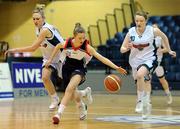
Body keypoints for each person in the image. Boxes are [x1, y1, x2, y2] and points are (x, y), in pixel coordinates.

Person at [44, 23, 127, 124]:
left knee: (69, 89)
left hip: (79, 68)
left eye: (83, 38)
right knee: (73, 94)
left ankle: (58, 114)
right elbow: (57, 46)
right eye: (80, 38)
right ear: (74, 37)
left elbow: (102, 58)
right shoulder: (66, 43)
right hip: (66, 68)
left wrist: (116, 67)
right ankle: (83, 100)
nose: (82, 40)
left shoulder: (87, 47)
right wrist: (50, 60)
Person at [5, 6, 65, 110]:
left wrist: (14, 50)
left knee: (70, 87)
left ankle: (82, 95)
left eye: (38, 19)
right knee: (45, 77)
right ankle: (55, 99)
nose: (35, 21)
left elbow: (32, 48)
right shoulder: (38, 29)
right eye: (34, 19)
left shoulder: (44, 30)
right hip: (49, 57)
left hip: (60, 57)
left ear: (43, 19)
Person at [120, 11, 176, 119]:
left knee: (143, 76)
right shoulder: (131, 32)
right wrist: (126, 48)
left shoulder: (152, 30)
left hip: (149, 59)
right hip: (135, 61)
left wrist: (169, 50)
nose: (138, 23)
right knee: (140, 82)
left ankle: (140, 101)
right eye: (137, 20)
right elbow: (122, 49)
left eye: (141, 21)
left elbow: (164, 37)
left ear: (146, 21)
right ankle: (145, 104)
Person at [152, 23, 173, 105]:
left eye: (155, 28)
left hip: (159, 62)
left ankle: (168, 94)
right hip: (150, 61)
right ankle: (145, 99)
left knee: (162, 80)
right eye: (152, 28)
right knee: (146, 79)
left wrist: (160, 50)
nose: (154, 29)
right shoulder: (148, 38)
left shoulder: (160, 38)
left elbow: (166, 49)